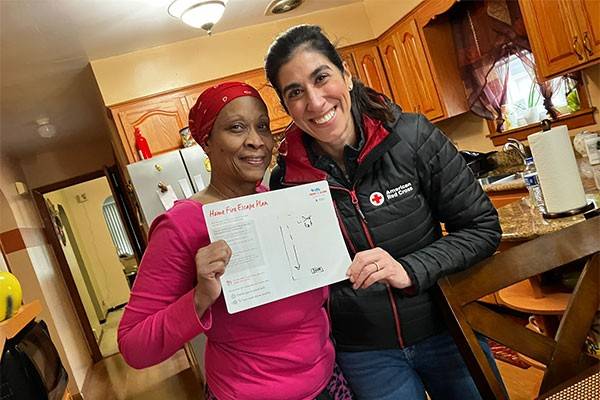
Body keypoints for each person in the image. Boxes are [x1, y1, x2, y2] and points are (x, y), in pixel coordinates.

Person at [264, 25, 506, 400]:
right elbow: (304, 281)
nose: (314, 102)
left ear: (346, 74)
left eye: (321, 77)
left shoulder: (412, 137)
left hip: (447, 329)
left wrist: (408, 269)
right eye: (295, 92)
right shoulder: (285, 182)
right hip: (365, 354)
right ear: (286, 107)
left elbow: (482, 228)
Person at [118, 82, 353, 400]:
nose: (256, 141)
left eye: (262, 127)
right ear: (206, 143)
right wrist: (200, 297)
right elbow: (134, 346)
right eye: (236, 128)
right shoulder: (180, 226)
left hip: (328, 382)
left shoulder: (278, 204)